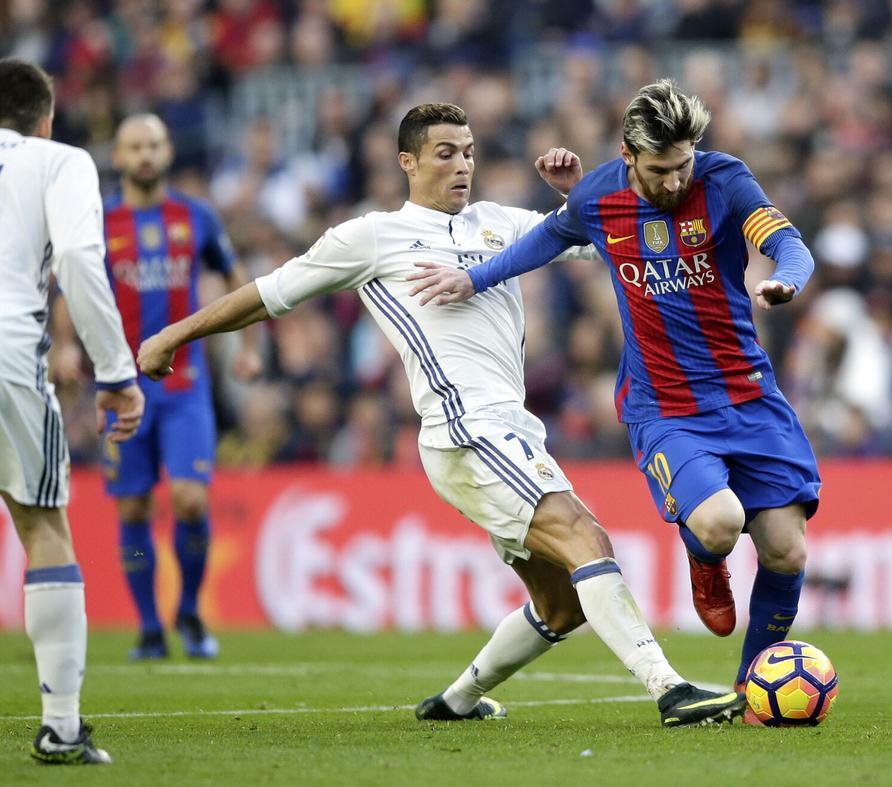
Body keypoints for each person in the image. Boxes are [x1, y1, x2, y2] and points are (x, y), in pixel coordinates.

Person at [136, 102, 745, 727]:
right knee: (586, 538)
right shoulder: (370, 237)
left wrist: (580, 196)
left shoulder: (501, 223)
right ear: (408, 162)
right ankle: (670, 691)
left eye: (470, 151)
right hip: (464, 430)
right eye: (446, 153)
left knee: (562, 603)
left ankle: (455, 702)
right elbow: (269, 294)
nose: (462, 165)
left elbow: (602, 242)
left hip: (510, 426)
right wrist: (172, 337)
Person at [408, 79, 821, 723]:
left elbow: (787, 243)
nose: (676, 179)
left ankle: (750, 694)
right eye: (661, 168)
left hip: (749, 395)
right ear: (628, 155)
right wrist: (472, 277)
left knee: (786, 551)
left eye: (684, 163)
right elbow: (539, 243)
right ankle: (705, 557)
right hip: (667, 408)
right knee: (718, 522)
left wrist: (785, 281)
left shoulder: (727, 180)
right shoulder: (600, 195)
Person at [0, 57, 145, 764]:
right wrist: (116, 372)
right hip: (7, 350)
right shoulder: (59, 161)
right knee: (42, 524)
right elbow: (83, 259)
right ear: (45, 119)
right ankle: (60, 727)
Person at [100, 114, 261, 660]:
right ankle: (148, 626)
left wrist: (248, 347)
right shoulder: (98, 220)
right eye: (135, 146)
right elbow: (72, 289)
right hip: (120, 386)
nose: (145, 154)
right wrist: (70, 347)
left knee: (190, 500)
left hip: (185, 385)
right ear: (119, 156)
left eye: (154, 144)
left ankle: (189, 611)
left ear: (167, 152)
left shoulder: (194, 216)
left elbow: (236, 278)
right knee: (133, 510)